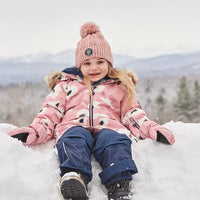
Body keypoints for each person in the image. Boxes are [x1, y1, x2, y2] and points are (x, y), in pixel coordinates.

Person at [7, 22, 175, 200]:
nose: (94, 67)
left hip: (109, 128)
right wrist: (34, 131)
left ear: (109, 62)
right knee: (73, 138)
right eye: (87, 63)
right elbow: (51, 112)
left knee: (115, 141)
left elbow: (132, 113)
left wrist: (150, 129)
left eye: (100, 61)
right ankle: (74, 176)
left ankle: (119, 184)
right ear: (79, 65)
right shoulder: (66, 85)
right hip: (74, 126)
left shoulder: (120, 86)